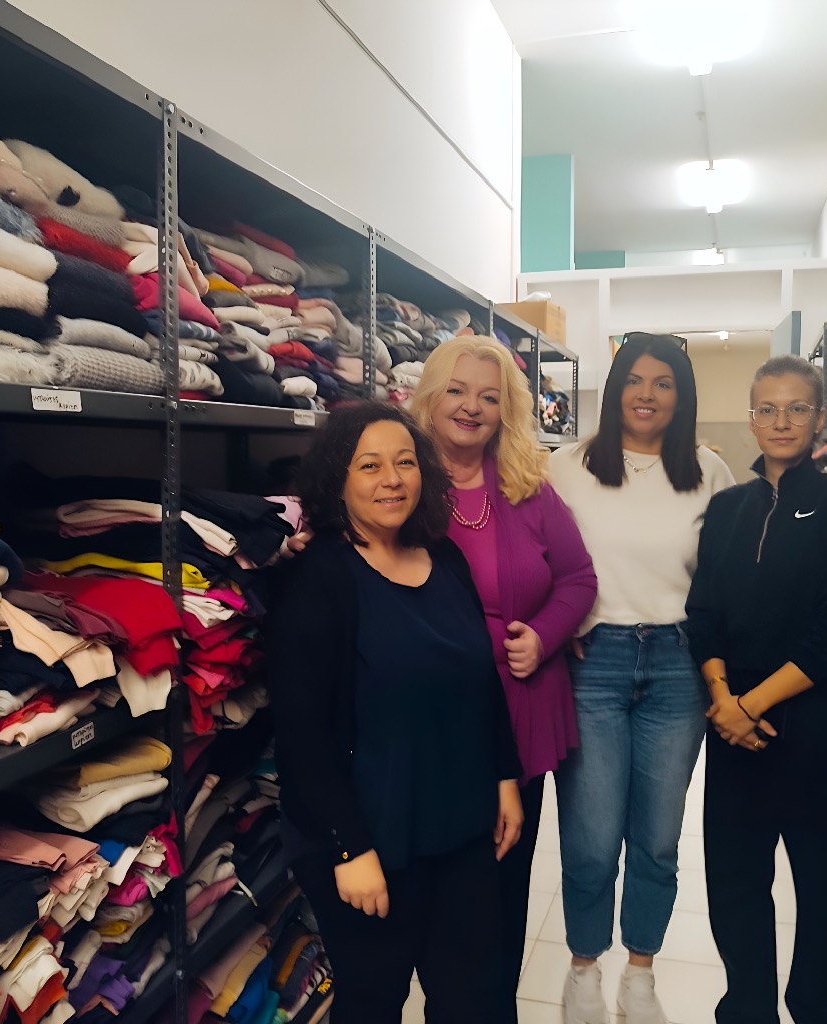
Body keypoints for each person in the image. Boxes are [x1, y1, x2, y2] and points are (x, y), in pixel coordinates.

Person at [265, 402, 524, 1024]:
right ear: (338, 480)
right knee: (374, 1001)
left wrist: (504, 777)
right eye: (370, 465)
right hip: (368, 836)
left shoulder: (446, 558)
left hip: (460, 828)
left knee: (474, 999)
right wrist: (349, 850)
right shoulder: (320, 577)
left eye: (405, 462)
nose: (392, 480)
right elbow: (302, 734)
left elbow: (481, 682)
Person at [547, 332, 735, 1024]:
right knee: (592, 836)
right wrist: (553, 620)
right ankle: (583, 970)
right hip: (592, 663)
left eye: (663, 383)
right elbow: (537, 553)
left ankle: (640, 974)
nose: (646, 395)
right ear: (614, 389)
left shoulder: (709, 471)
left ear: (682, 396)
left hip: (678, 667)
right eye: (634, 380)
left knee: (657, 836)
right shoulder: (567, 466)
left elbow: (726, 574)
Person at [411, 336, 598, 1022]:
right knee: (444, 895)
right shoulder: (403, 482)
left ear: (506, 411)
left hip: (520, 714)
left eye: (489, 397)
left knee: (502, 889)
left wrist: (544, 635)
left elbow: (578, 578)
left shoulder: (527, 486)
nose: (471, 407)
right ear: (431, 397)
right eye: (457, 390)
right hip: (437, 721)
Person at [686, 355, 827, 1024]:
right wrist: (722, 699)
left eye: (797, 408)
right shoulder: (727, 509)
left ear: (820, 418)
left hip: (819, 732)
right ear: (751, 419)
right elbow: (702, 612)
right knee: (735, 890)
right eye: (767, 408)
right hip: (735, 737)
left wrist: (751, 704)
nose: (782, 421)